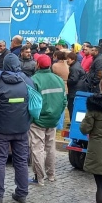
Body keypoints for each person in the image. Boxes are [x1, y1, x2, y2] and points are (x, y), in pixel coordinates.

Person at [0, 53, 34, 203]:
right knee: (21, 160)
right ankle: (22, 193)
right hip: (22, 128)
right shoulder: (27, 82)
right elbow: (33, 101)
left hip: (2, 129)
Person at [29, 55, 67, 185]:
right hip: (53, 119)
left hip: (38, 120)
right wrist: (57, 114)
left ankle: (39, 178)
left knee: (37, 148)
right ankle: (51, 175)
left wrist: (33, 117)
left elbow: (31, 102)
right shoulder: (59, 80)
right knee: (50, 147)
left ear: (38, 65)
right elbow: (64, 101)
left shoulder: (34, 80)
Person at [65, 51, 88, 125]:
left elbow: (74, 79)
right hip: (79, 88)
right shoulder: (77, 65)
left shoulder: (74, 68)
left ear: (73, 59)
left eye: (68, 59)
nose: (67, 60)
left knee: (72, 106)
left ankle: (73, 123)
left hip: (75, 90)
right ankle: (74, 122)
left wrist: (66, 81)